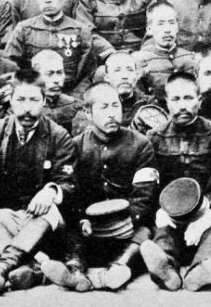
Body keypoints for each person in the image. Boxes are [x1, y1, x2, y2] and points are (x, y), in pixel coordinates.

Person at [0, 68, 77, 295]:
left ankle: (1, 268)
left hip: (42, 223)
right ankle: (33, 266)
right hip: (6, 218)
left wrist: (51, 191)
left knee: (52, 208)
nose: (27, 107)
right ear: (10, 102)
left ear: (44, 101)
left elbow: (68, 181)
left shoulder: (58, 135)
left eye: (34, 100)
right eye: (20, 99)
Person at [42, 82, 158, 291]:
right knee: (70, 233)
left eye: (116, 106)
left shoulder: (141, 144)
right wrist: (82, 220)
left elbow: (144, 196)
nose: (112, 114)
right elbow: (72, 192)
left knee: (145, 234)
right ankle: (76, 274)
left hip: (127, 227)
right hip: (90, 229)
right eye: (103, 108)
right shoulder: (75, 146)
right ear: (88, 113)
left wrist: (125, 221)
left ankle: (120, 268)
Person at [140, 72, 211, 291]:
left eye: (188, 98)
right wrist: (160, 210)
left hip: (207, 212)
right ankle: (166, 272)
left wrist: (208, 214)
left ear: (199, 101)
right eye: (176, 99)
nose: (183, 105)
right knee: (162, 234)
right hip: (170, 215)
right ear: (166, 103)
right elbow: (149, 183)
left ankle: (201, 271)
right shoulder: (153, 137)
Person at [4, 0, 114, 95]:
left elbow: (87, 73)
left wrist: (75, 98)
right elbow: (10, 66)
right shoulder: (23, 29)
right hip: (33, 94)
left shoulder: (80, 31)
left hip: (71, 94)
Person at [132, 1, 196, 102]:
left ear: (177, 27)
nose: (167, 30)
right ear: (149, 29)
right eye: (160, 24)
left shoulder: (190, 59)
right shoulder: (140, 61)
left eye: (171, 23)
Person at [31, 49, 88, 135]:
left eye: (60, 73)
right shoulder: (24, 107)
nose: (56, 80)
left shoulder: (73, 106)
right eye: (49, 74)